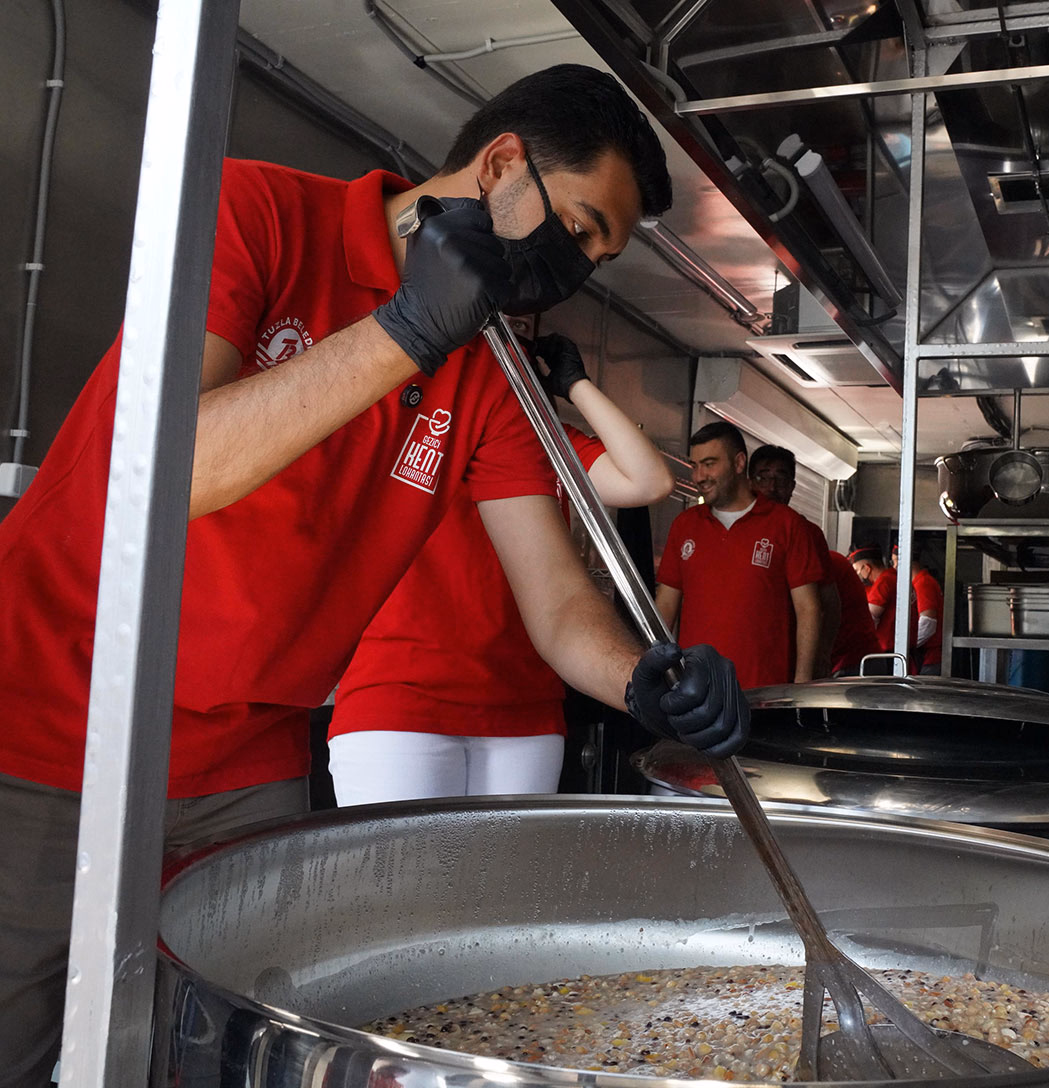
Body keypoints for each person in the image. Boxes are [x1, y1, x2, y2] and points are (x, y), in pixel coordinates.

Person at [0, 64, 747, 1086]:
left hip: (247, 755)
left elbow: (554, 596)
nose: (573, 272)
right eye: (576, 230)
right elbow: (172, 464)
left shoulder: (489, 372)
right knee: (20, 1026)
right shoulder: (256, 213)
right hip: (49, 710)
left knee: (214, 1044)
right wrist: (405, 331)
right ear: (499, 165)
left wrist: (639, 678)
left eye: (598, 258)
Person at [327, 333, 675, 804]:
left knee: (511, 880)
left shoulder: (547, 446)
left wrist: (576, 386)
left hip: (524, 706)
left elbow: (648, 480)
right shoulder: (415, 425)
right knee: (407, 878)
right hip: (399, 696)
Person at [655, 422, 825, 688]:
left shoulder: (787, 524)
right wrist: (658, 675)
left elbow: (808, 608)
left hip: (764, 693)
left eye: (709, 464)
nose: (699, 476)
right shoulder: (685, 525)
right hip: (696, 691)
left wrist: (802, 681)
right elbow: (665, 606)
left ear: (738, 463)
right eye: (695, 465)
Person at [747, 444, 878, 675]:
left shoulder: (807, 533)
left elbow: (826, 605)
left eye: (781, 478)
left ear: (792, 487)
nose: (772, 487)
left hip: (794, 662)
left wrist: (817, 662)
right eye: (763, 477)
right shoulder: (737, 531)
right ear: (749, 482)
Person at [850, 543, 919, 664]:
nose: (856, 575)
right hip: (905, 651)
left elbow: (870, 618)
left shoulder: (884, 581)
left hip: (889, 654)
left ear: (867, 568)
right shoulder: (896, 577)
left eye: (857, 570)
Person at [893, 544, 945, 675]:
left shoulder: (923, 583)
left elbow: (928, 623)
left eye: (895, 562)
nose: (894, 567)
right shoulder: (918, 582)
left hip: (929, 659)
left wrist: (905, 645)